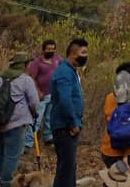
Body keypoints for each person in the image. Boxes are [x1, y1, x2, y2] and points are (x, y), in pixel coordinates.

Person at [0, 52, 40, 187]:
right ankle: (6, 183)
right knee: (12, 155)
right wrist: (35, 114)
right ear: (24, 65)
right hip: (16, 124)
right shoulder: (25, 80)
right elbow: (34, 102)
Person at [48, 37, 88, 187]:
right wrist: (73, 123)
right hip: (65, 127)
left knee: (68, 167)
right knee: (66, 167)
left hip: (68, 125)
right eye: (83, 52)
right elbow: (65, 100)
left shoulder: (71, 72)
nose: (85, 56)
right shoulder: (64, 72)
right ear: (73, 54)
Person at [24, 39, 61, 152]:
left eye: (52, 49)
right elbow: (32, 78)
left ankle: (48, 137)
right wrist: (37, 91)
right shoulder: (37, 62)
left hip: (54, 93)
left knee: (50, 117)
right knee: (37, 119)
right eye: (48, 49)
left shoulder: (57, 59)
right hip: (42, 95)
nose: (50, 51)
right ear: (43, 49)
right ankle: (28, 142)